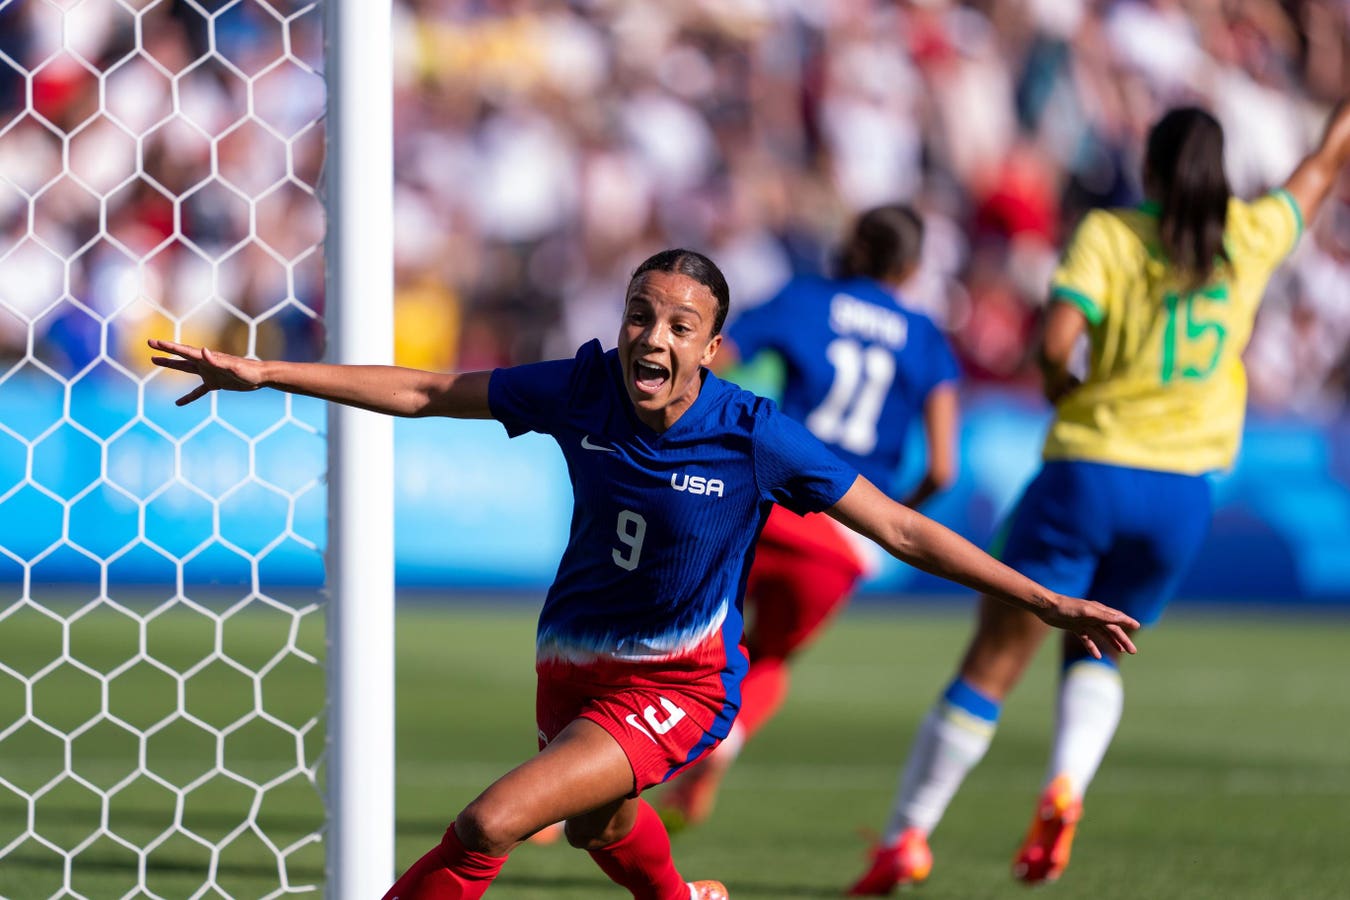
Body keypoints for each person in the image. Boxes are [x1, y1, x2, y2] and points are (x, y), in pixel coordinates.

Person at [150, 248, 1140, 900]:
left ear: (713, 348)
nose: (653, 338)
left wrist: (1046, 600)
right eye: (640, 315)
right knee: (598, 827)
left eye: (678, 325)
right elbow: (421, 387)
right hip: (571, 667)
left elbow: (905, 530)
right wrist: (268, 373)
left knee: (488, 822)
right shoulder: (582, 390)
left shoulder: (755, 437)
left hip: (675, 684)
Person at [846, 99, 1350, 895]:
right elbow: (1322, 167)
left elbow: (1053, 344)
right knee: (1101, 644)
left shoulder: (1112, 236)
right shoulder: (1251, 236)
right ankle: (1066, 787)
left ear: (1149, 168)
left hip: (1091, 470)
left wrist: (1059, 385)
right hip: (1184, 494)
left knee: (992, 661)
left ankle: (907, 836)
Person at [655, 205, 961, 831]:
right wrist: (885, 517)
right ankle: (730, 734)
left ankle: (573, 785)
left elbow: (719, 354)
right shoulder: (926, 335)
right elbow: (942, 468)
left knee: (673, 639)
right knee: (769, 659)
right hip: (843, 535)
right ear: (910, 266)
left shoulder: (807, 298)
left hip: (769, 499)